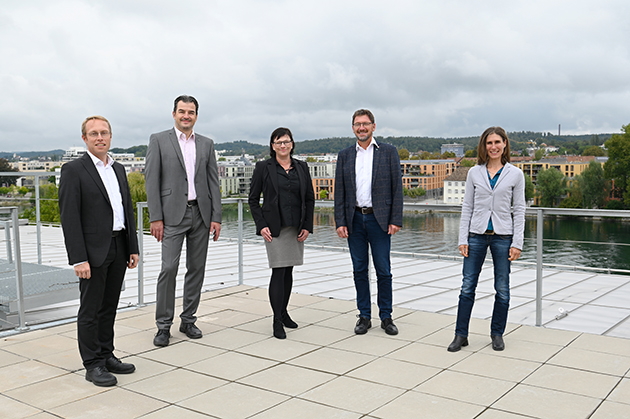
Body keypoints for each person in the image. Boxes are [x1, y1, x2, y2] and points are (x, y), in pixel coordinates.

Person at [59, 115, 139, 387]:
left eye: (104, 132)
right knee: (90, 310)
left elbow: (126, 209)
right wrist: (78, 258)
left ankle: (106, 354)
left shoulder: (118, 169)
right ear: (84, 138)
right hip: (91, 253)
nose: (100, 137)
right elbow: (69, 217)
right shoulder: (74, 170)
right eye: (93, 133)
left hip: (118, 246)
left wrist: (132, 246)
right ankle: (92, 364)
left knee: (109, 307)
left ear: (111, 136)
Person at [145, 95, 222, 347]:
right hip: (171, 215)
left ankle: (188, 320)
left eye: (191, 112)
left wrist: (216, 217)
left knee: (196, 269)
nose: (186, 116)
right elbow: (151, 180)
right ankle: (163, 326)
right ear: (174, 113)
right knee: (168, 269)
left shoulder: (207, 143)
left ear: (196, 116)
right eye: (182, 111)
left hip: (201, 213)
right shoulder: (158, 140)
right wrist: (155, 217)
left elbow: (213, 182)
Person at [447, 127, 526, 352]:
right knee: (467, 287)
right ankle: (460, 335)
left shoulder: (515, 174)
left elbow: (519, 209)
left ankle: (497, 333)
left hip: (503, 237)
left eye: (497, 142)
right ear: (484, 146)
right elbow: (468, 207)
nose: (493, 147)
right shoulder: (474, 172)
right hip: (476, 236)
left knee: (502, 289)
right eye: (489, 143)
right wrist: (463, 239)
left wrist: (517, 243)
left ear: (505, 144)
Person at [334, 109, 403, 336]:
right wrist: (340, 222)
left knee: (384, 270)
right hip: (354, 220)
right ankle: (364, 315)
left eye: (365, 124)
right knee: (359, 269)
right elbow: (340, 192)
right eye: (357, 124)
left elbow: (397, 189)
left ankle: (386, 316)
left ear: (373, 126)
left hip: (379, 220)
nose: (361, 128)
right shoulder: (345, 155)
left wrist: (395, 219)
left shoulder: (389, 152)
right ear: (353, 128)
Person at [248, 128, 315, 339]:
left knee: (289, 272)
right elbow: (253, 199)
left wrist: (307, 225)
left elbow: (310, 199)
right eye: (278, 143)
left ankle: (284, 312)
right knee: (278, 271)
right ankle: (276, 320)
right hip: (274, 229)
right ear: (272, 146)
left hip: (296, 227)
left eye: (286, 142)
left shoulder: (302, 167)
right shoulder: (263, 167)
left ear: (292, 144)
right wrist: (261, 225)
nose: (283, 146)